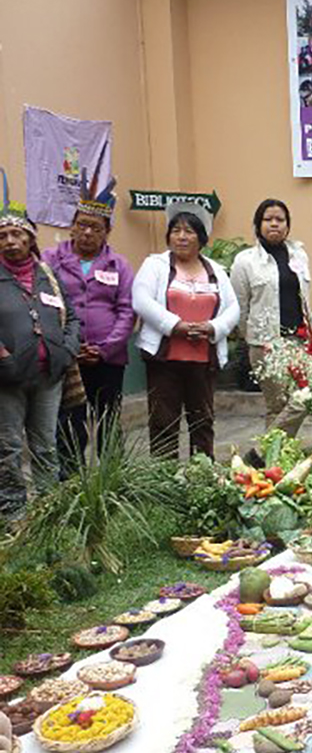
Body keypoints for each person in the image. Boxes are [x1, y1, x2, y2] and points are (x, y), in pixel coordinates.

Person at [0, 178, 79, 524]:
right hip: (8, 378)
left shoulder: (47, 273)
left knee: (46, 446)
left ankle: (49, 513)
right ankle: (13, 514)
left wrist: (67, 348)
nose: (10, 241)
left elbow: (72, 316)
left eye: (18, 235)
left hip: (49, 376)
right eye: (2, 236)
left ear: (31, 239)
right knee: (8, 449)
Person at [132, 205, 239, 459]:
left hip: (203, 360)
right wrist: (174, 325)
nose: (181, 236)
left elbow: (233, 307)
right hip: (164, 360)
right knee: (163, 421)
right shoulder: (154, 264)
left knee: (202, 422)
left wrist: (212, 328)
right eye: (176, 231)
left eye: (189, 231)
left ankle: (202, 478)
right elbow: (141, 300)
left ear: (201, 238)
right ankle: (164, 481)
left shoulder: (215, 270)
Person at [44, 177, 134, 469]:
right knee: (70, 421)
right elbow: (45, 304)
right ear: (71, 226)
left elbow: (126, 311)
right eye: (81, 224)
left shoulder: (118, 265)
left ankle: (113, 479)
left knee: (108, 419)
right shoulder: (50, 260)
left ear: (107, 232)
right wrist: (69, 346)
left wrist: (105, 349)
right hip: (67, 357)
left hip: (108, 360)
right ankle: (71, 481)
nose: (87, 232)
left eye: (96, 227)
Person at [230, 198, 312, 454]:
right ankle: (275, 462)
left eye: (280, 219)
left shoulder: (299, 254)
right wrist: (252, 337)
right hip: (265, 342)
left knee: (304, 397)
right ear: (258, 225)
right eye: (268, 219)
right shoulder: (245, 261)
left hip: (299, 339)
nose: (275, 224)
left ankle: (261, 455)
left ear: (288, 226)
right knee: (277, 405)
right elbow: (239, 305)